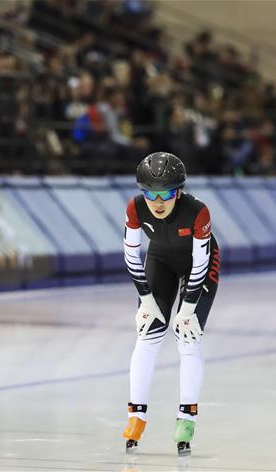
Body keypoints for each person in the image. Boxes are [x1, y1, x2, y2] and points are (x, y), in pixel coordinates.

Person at [121, 152, 222, 456]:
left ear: (178, 192)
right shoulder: (136, 207)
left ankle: (186, 419)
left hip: (198, 266)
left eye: (165, 193)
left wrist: (189, 308)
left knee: (187, 338)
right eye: (150, 193)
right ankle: (136, 416)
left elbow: (202, 263)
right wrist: (146, 299)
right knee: (147, 333)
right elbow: (131, 255)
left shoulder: (198, 212)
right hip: (161, 261)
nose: (157, 201)